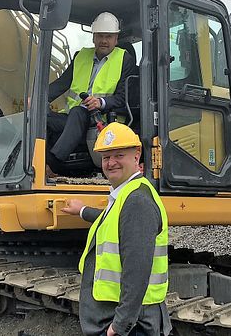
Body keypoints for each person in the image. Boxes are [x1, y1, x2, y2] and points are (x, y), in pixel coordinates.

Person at [61, 123, 171, 336]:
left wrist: (121, 325)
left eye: (119, 155)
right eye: (106, 157)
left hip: (132, 325)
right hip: (124, 317)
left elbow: (137, 268)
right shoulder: (125, 194)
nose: (111, 163)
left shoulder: (137, 200)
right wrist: (82, 210)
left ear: (136, 156)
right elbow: (112, 220)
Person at [46, 12, 137, 175]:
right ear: (93, 37)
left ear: (116, 39)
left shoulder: (125, 60)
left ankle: (53, 165)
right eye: (100, 36)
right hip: (73, 119)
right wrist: (38, 99)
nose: (104, 40)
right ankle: (38, 161)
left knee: (78, 112)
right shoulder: (81, 56)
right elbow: (61, 84)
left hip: (103, 119)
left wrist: (101, 102)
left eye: (108, 36)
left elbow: (124, 99)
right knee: (43, 118)